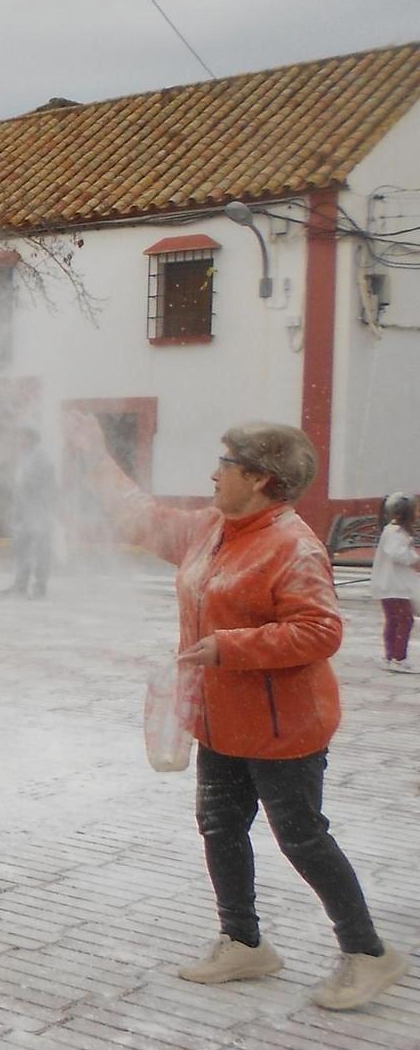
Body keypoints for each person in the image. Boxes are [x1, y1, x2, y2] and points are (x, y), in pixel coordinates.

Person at [68, 413, 407, 1011]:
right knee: (220, 827)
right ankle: (244, 942)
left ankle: (367, 952)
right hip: (220, 718)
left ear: (259, 477)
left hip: (283, 726)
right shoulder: (212, 528)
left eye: (225, 463)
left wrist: (230, 646)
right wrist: (95, 458)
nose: (213, 474)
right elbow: (142, 519)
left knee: (301, 838)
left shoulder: (293, 546)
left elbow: (320, 630)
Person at [6, 428, 59, 598]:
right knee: (22, 548)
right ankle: (20, 584)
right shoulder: (25, 456)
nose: (18, 441)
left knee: (40, 549)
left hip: (38, 511)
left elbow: (44, 486)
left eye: (22, 437)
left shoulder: (41, 458)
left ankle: (39, 587)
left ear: (31, 439)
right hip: (24, 511)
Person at [371, 493, 418, 672]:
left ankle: (391, 655)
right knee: (404, 620)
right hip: (395, 586)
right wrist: (414, 559)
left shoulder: (392, 531)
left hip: (389, 584)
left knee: (393, 620)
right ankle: (398, 657)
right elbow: (396, 553)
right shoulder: (395, 532)